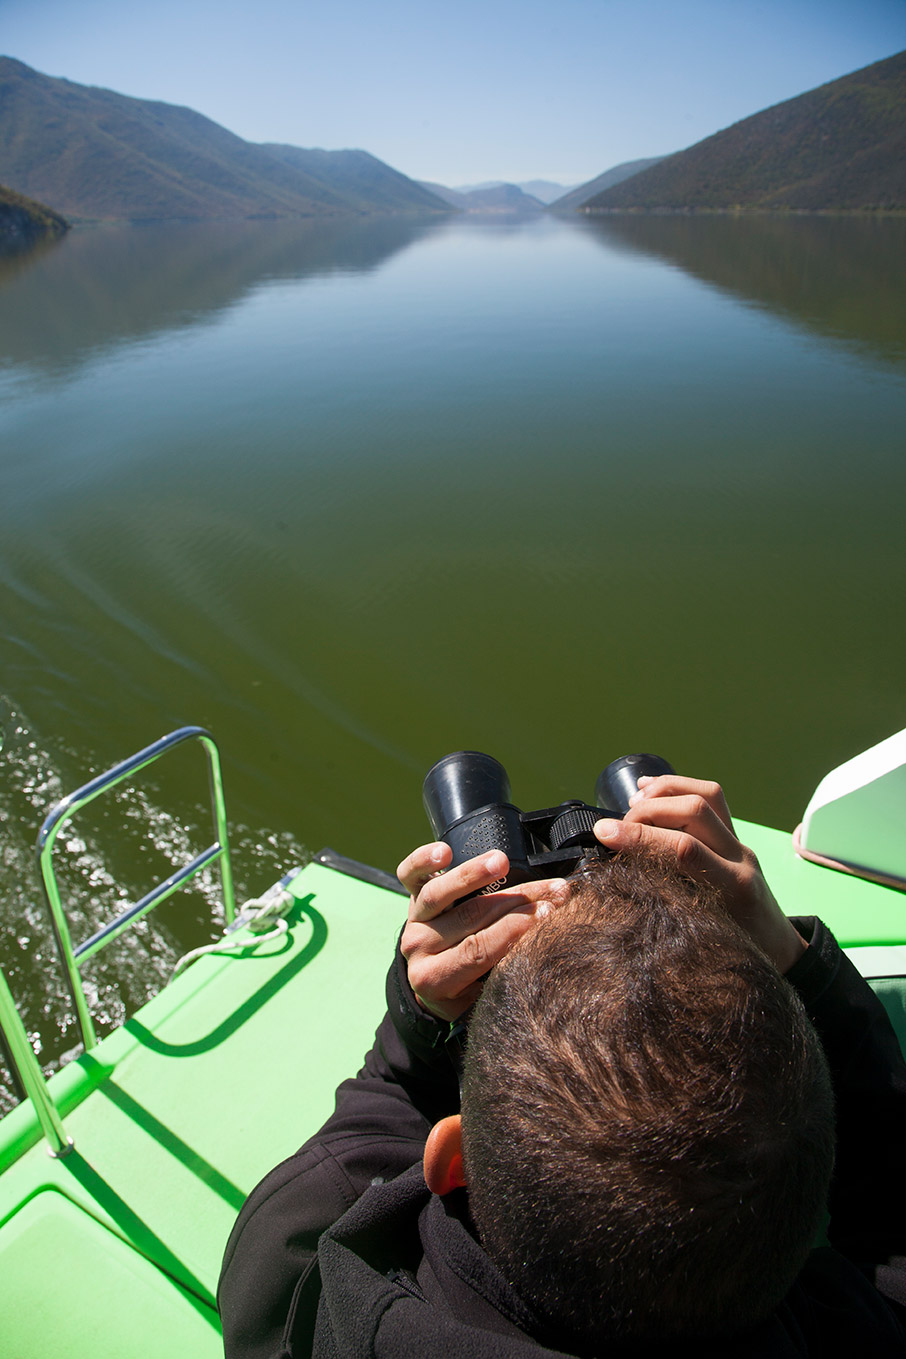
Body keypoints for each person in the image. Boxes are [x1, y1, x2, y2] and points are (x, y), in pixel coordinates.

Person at [218, 774, 906, 1357]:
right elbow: (890, 1198)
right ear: (811, 1189)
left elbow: (363, 1135)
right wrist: (793, 957)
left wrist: (416, 1024)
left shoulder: (298, 1271)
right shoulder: (863, 1331)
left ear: (450, 1159)